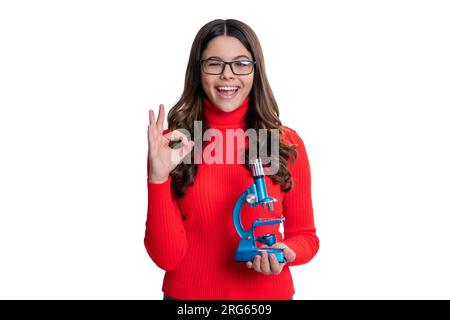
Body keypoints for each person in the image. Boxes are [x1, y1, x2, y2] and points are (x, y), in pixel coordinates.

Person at [145, 19, 319, 300]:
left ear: (255, 70)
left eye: (240, 63)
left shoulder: (286, 143)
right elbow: (166, 258)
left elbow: (306, 236)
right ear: (198, 72)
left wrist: (288, 252)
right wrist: (158, 178)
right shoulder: (171, 145)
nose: (228, 75)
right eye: (214, 63)